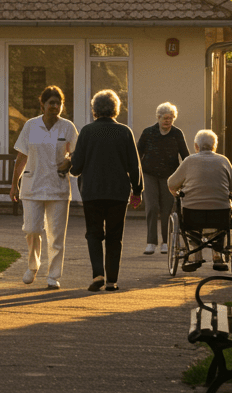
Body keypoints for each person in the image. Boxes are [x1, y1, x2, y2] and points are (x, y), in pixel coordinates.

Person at [61, 89, 142, 292]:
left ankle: (98, 274)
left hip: (92, 191)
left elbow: (77, 167)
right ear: (115, 109)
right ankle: (112, 281)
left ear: (94, 110)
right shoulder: (125, 131)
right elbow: (134, 165)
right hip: (118, 192)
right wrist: (137, 190)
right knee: (115, 237)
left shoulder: (87, 132)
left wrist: (71, 163)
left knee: (94, 234)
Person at [10, 86, 79, 289]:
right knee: (32, 229)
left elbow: (76, 153)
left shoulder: (67, 128)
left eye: (58, 103)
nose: (55, 106)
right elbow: (22, 156)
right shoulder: (32, 126)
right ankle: (33, 266)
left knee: (56, 235)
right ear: (43, 104)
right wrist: (14, 184)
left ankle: (53, 275)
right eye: (51, 103)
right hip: (32, 186)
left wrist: (68, 161)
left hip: (57, 187)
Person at [167, 129, 232, 271]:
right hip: (220, 213)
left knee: (191, 226)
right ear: (215, 146)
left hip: (192, 214)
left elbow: (171, 183)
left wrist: (176, 193)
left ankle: (194, 256)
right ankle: (218, 255)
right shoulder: (223, 160)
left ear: (196, 146)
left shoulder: (189, 161)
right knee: (221, 225)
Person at [137, 103, 190, 255]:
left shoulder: (177, 133)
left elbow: (185, 155)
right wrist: (136, 173)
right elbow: (138, 153)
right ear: (158, 117)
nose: (168, 121)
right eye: (165, 118)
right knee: (152, 207)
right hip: (149, 174)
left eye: (171, 118)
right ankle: (151, 242)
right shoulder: (148, 133)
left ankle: (166, 242)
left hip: (170, 176)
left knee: (167, 209)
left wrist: (188, 173)